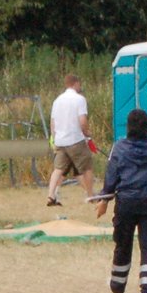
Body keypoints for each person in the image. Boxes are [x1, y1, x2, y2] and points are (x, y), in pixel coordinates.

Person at [95, 109, 147, 293]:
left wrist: (104, 199)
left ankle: (118, 284)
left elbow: (111, 177)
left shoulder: (119, 147)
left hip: (126, 202)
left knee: (123, 243)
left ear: (128, 127)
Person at [46, 74, 95, 205]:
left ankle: (51, 195)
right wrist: (87, 134)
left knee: (58, 169)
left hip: (60, 140)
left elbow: (52, 122)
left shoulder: (57, 100)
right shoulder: (80, 99)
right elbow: (82, 121)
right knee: (87, 167)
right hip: (75, 139)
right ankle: (90, 195)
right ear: (76, 83)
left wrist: (55, 138)